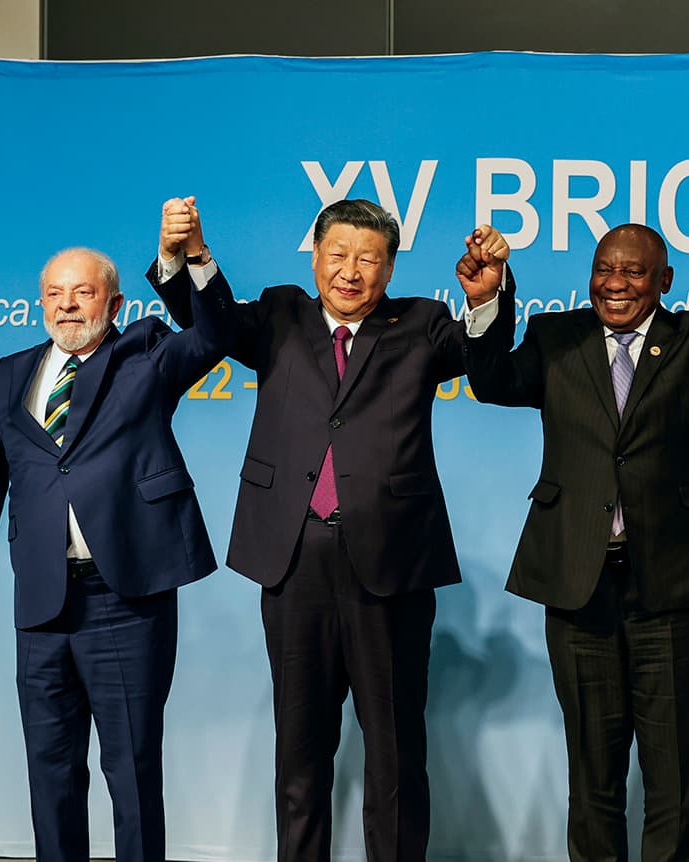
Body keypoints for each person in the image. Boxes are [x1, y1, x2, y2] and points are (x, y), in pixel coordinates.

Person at [146, 199, 508, 862]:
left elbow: (486, 367)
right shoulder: (281, 315)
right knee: (301, 753)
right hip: (294, 558)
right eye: (338, 254)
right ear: (313, 256)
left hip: (392, 563)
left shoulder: (421, 322)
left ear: (390, 267)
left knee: (395, 753)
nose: (351, 271)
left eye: (369, 259)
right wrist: (191, 254)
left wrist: (486, 299)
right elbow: (210, 324)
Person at [457, 214, 689, 861]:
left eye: (633, 271)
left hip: (675, 587)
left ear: (665, 280)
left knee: (675, 784)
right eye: (604, 269)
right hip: (580, 588)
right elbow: (492, 382)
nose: (616, 282)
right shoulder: (556, 337)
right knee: (593, 779)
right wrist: (487, 299)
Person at [0, 199, 234, 862]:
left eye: (82, 292)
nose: (66, 305)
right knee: (50, 774)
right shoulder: (9, 374)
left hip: (123, 599)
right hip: (42, 602)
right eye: (53, 293)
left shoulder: (146, 354)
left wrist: (189, 257)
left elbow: (215, 336)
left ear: (115, 299)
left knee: (130, 772)